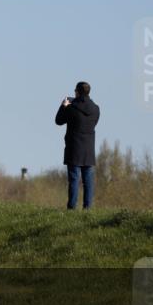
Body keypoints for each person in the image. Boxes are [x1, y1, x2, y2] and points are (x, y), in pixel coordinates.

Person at [55, 81, 101, 210]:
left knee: (74, 180)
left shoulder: (71, 107)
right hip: (89, 150)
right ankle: (87, 208)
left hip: (74, 148)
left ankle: (72, 207)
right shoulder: (96, 109)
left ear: (78, 92)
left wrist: (63, 106)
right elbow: (94, 123)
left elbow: (58, 121)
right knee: (88, 182)